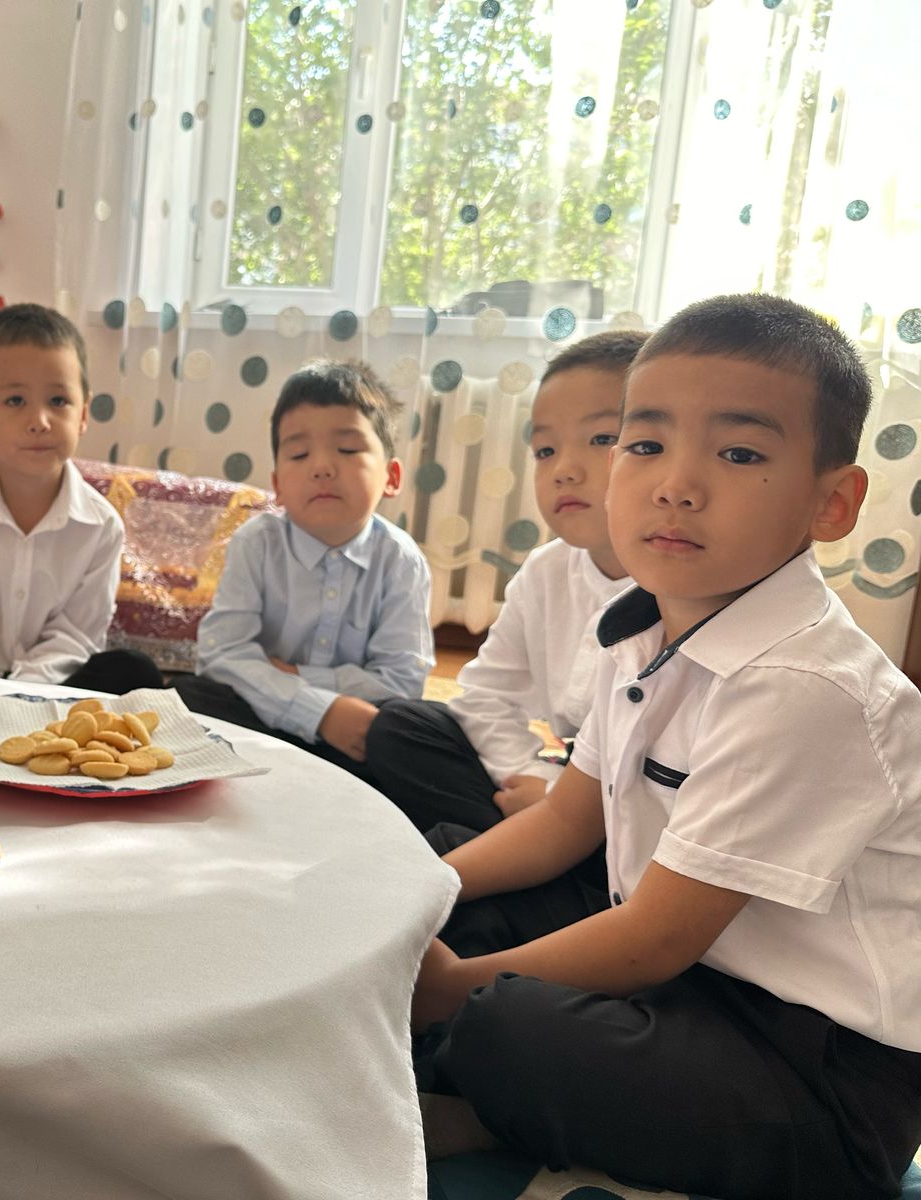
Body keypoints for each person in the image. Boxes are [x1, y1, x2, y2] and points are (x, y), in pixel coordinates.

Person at [411, 294, 921, 1200]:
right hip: (691, 979)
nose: (676, 485)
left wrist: (452, 989)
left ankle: (495, 1096)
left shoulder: (805, 685)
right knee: (449, 887)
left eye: (739, 454)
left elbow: (654, 939)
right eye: (643, 445)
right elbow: (566, 822)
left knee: (504, 1025)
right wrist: (421, 892)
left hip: (814, 1068)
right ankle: (499, 1085)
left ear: (832, 502)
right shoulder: (643, 625)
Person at [366, 330, 644, 832]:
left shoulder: (685, 593)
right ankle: (515, 849)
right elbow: (485, 697)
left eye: (602, 439)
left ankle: (505, 854)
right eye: (545, 450)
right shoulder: (546, 570)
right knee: (402, 727)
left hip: (636, 813)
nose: (563, 470)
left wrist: (558, 807)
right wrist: (533, 778)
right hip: (565, 781)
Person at [171, 359, 433, 772]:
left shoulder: (402, 560)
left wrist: (298, 676)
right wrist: (316, 711)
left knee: (417, 724)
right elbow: (221, 654)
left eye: (348, 449)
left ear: (391, 476)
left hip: (356, 731)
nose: (322, 467)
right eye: (299, 453)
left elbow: (403, 679)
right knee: (191, 696)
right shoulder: (256, 543)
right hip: (263, 714)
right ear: (276, 484)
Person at [0, 303, 163, 692]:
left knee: (133, 671)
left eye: (58, 401)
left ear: (84, 414)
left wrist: (23, 691)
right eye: (16, 401)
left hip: (56, 683)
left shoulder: (101, 527)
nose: (40, 421)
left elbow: (75, 639)